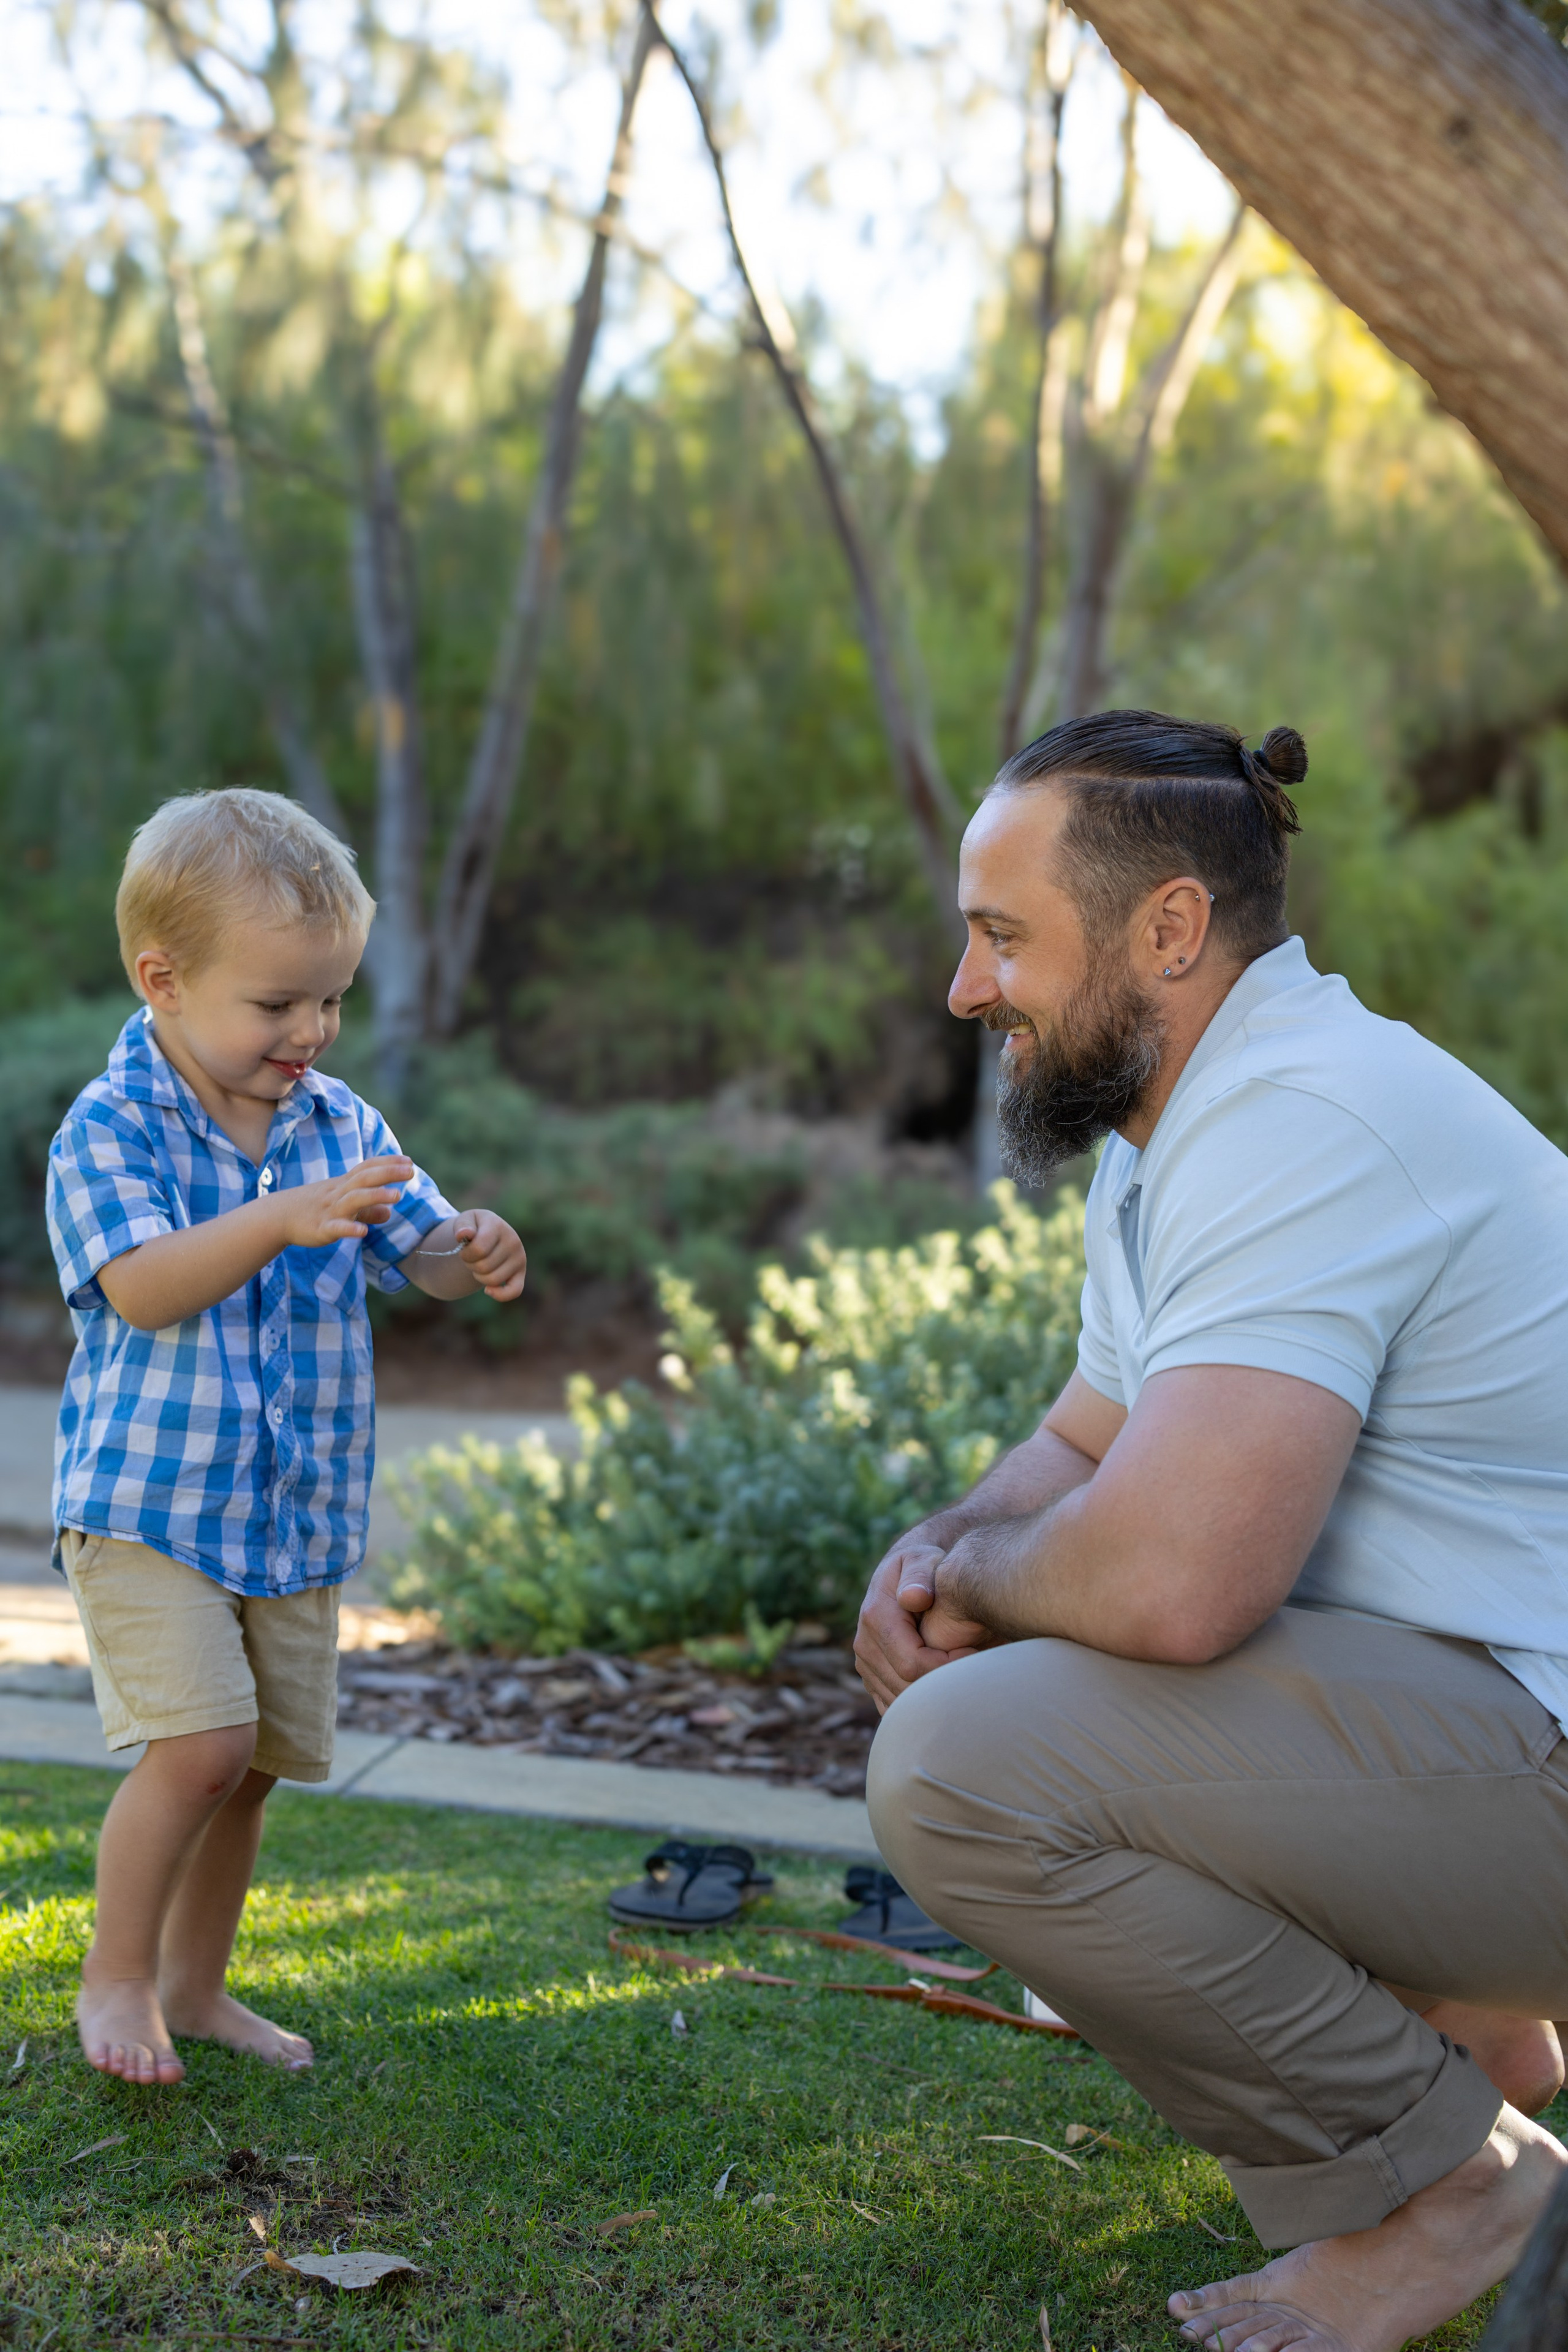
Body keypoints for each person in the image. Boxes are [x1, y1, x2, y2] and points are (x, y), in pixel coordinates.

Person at [855, 710, 1568, 2352]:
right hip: (1509, 1724)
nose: (968, 991)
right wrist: (935, 1550)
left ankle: (1455, 2184)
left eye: (1002, 938)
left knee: (971, 1769)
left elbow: (1181, 1583)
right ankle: (1480, 2053)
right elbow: (1084, 1438)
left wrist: (977, 1593)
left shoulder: (1303, 1119)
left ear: (1167, 929)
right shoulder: (1192, 1117)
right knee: (1028, 1735)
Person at [47, 789, 527, 2090]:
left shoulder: (337, 1121)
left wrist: (459, 1246)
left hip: (289, 1511)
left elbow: (409, 1250)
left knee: (250, 1770)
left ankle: (198, 1989)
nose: (309, 1032)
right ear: (164, 978)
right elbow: (141, 1287)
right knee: (196, 1749)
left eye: (330, 1002)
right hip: (150, 1508)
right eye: (277, 1005)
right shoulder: (111, 1128)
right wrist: (279, 1219)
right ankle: (118, 1977)